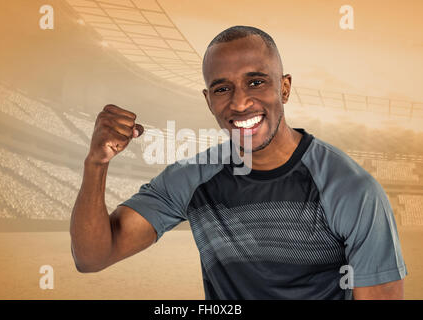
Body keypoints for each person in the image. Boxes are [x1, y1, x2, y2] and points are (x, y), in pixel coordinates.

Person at [70, 25, 407, 299]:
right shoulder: (191, 179)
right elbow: (93, 257)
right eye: (222, 89)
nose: (241, 102)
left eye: (256, 82)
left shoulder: (349, 188)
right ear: (208, 100)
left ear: (285, 88)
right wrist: (96, 164)